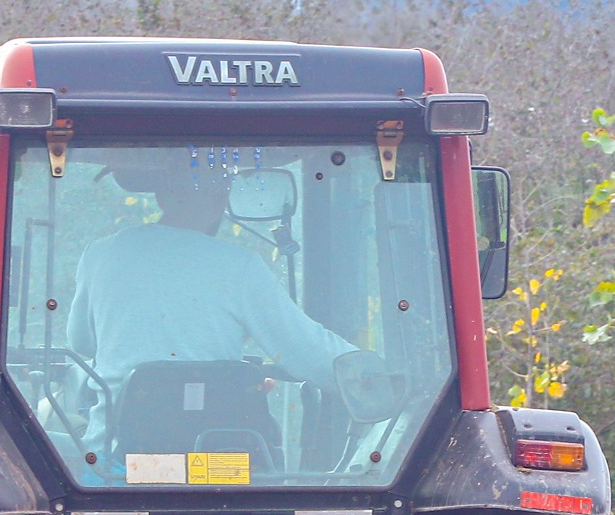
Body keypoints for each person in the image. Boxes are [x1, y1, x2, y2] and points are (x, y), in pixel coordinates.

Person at [66, 163, 399, 463]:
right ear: (220, 202)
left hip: (115, 464)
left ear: (162, 196)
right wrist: (377, 382)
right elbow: (308, 351)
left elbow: (80, 342)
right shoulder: (240, 267)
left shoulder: (100, 255)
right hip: (219, 466)